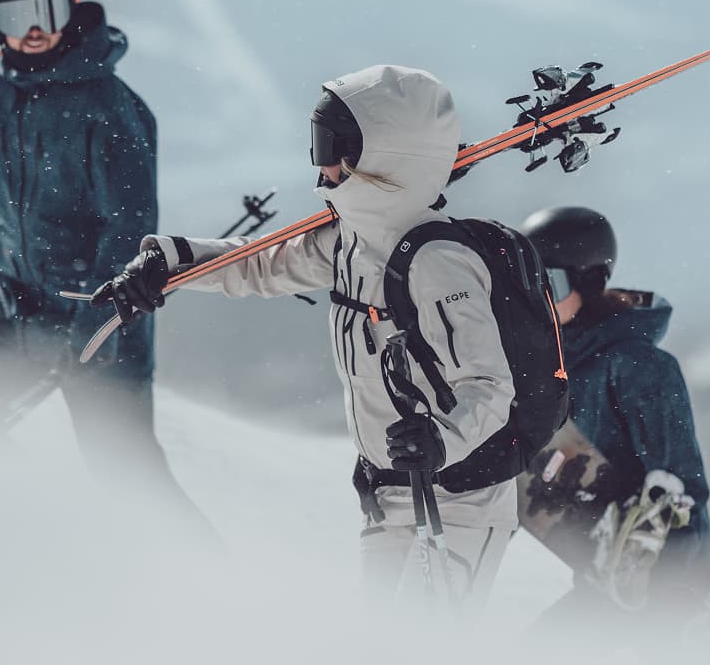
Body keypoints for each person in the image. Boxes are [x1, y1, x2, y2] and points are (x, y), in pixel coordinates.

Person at [91, 64, 521, 608]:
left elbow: (490, 386)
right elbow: (262, 264)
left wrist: (443, 440)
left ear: (383, 156)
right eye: (317, 143)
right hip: (386, 492)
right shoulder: (352, 242)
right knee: (376, 642)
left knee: (425, 641)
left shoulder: (438, 262)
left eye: (332, 147)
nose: (321, 165)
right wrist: (170, 263)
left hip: (457, 500)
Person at [0, 0, 207, 532]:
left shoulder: (109, 109)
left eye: (48, 11)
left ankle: (202, 573)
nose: (35, 31)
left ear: (70, 8)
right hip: (14, 304)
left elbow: (129, 229)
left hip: (99, 314)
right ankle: (38, 534)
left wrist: (96, 326)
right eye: (17, 16)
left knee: (127, 474)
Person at [520, 206, 710, 630]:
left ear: (588, 281)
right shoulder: (559, 364)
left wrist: (676, 596)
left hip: (661, 586)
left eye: (549, 283)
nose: (537, 299)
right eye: (526, 284)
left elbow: (680, 489)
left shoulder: (641, 367)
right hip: (604, 580)